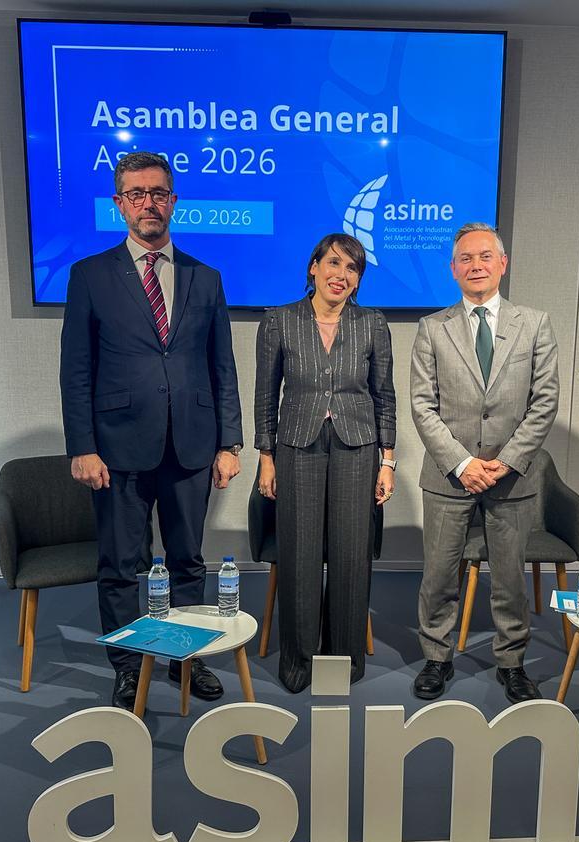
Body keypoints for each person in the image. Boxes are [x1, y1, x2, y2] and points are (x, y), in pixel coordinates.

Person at [60, 151, 243, 710]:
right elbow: (77, 369)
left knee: (188, 560)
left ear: (173, 202)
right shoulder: (89, 275)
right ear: (119, 204)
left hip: (191, 442)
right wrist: (83, 447)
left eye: (159, 193)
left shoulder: (204, 278)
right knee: (120, 565)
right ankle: (126, 664)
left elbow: (222, 364)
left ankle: (184, 658)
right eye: (137, 194)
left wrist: (230, 441)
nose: (149, 203)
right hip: (117, 448)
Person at [409, 222, 559, 704]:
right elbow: (422, 405)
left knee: (510, 579)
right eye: (466, 259)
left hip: (510, 478)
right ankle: (437, 657)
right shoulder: (433, 328)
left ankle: (512, 663)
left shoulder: (534, 324)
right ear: (453, 270)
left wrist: (508, 460)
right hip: (449, 476)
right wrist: (461, 463)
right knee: (438, 574)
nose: (476, 265)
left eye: (485, 256)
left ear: (502, 264)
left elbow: (545, 401)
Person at [254, 233, 396, 692]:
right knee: (300, 555)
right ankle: (298, 663)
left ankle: (344, 663)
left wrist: (387, 460)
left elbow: (384, 397)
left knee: (353, 556)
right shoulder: (279, 320)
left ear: (358, 280)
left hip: (358, 447)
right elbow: (265, 396)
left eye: (352, 268)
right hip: (298, 446)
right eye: (333, 263)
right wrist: (266, 458)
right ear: (313, 267)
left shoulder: (372, 323)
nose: (341, 275)